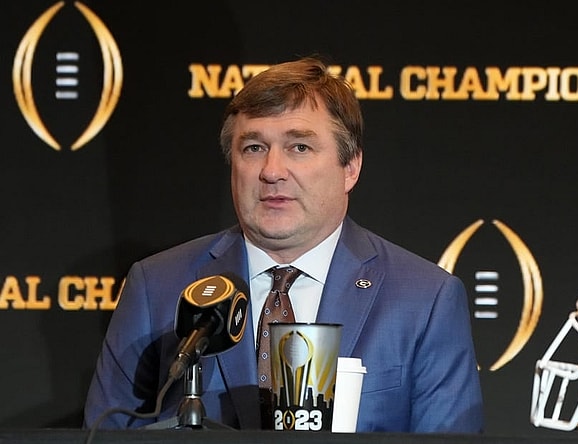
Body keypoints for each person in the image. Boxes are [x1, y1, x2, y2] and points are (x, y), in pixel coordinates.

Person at [83, 56, 484, 433]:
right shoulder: (157, 287)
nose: (272, 171)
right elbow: (104, 438)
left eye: (299, 147)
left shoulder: (424, 300)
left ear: (350, 167)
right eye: (254, 148)